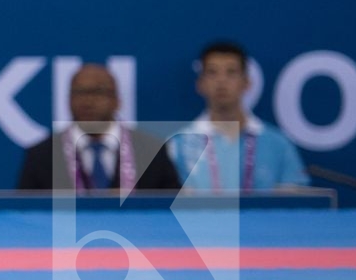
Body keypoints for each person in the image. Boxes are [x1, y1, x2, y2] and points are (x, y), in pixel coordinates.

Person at [16, 63, 184, 194]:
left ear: (117, 101)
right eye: (79, 93)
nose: (87, 102)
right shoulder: (42, 155)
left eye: (98, 92)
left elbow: (172, 211)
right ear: (68, 100)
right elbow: (26, 218)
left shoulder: (151, 150)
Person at [168, 41, 311, 191]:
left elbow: (297, 204)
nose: (221, 81)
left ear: (247, 82)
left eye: (231, 72)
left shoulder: (278, 144)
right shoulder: (177, 145)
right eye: (212, 72)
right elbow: (164, 204)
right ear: (200, 84)